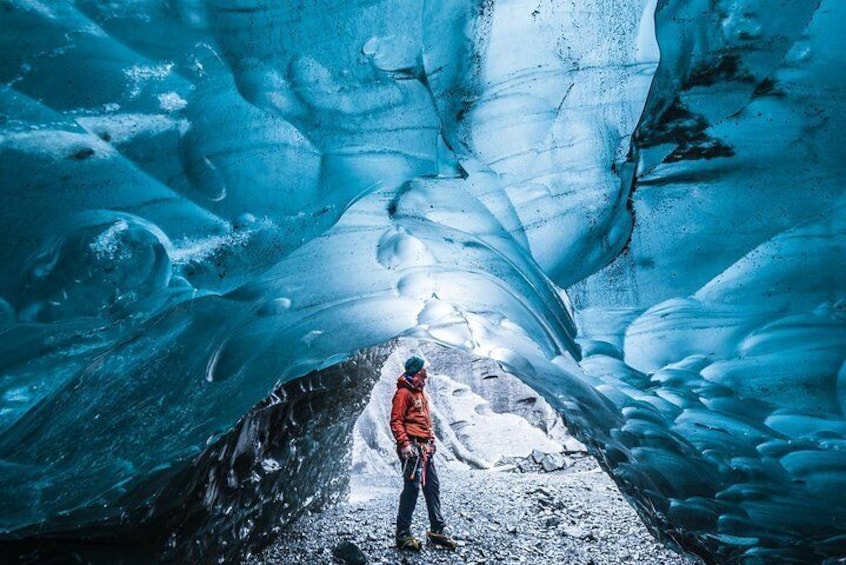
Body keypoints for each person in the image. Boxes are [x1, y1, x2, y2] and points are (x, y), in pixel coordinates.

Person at [389, 356, 457, 551]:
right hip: (412, 448)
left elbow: (425, 422)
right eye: (424, 368)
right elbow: (396, 420)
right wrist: (404, 443)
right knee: (411, 488)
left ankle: (437, 529)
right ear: (417, 371)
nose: (427, 371)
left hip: (424, 448)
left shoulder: (420, 392)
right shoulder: (403, 393)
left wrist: (431, 440)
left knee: (432, 486)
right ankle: (402, 534)